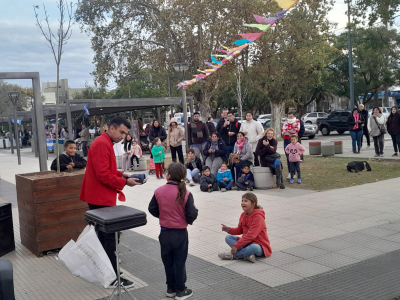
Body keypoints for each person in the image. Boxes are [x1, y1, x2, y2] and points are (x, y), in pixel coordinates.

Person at [79, 117, 141, 289]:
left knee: (105, 236)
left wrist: (122, 175)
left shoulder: (104, 142)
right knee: (108, 237)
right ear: (111, 128)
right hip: (100, 197)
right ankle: (112, 277)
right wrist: (124, 182)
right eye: (121, 132)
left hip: (100, 196)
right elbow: (103, 175)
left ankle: (108, 271)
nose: (123, 136)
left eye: (125, 134)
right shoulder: (101, 144)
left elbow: (107, 170)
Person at [148, 162, 198, 300]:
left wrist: (163, 216)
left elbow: (152, 208)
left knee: (167, 261)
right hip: (180, 233)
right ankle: (181, 290)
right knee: (180, 261)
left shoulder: (158, 191)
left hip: (164, 232)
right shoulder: (186, 193)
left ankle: (170, 288)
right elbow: (191, 214)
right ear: (183, 176)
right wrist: (185, 220)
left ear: (168, 176)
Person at [218, 192, 271, 263]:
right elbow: (239, 230)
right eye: (242, 201)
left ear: (253, 204)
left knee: (253, 247)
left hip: (259, 245)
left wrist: (236, 246)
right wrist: (229, 229)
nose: (242, 203)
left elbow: (251, 236)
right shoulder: (243, 215)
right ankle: (247, 255)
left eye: (246, 201)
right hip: (246, 243)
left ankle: (233, 256)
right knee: (228, 238)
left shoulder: (258, 217)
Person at [282, 111, 300, 179]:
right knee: (288, 156)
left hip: (294, 140)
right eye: (288, 116)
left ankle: (294, 172)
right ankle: (290, 172)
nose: (289, 118)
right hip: (286, 140)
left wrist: (288, 131)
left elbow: (296, 130)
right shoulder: (285, 122)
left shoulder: (297, 121)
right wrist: (291, 130)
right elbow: (283, 131)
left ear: (294, 116)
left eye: (291, 117)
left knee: (294, 156)